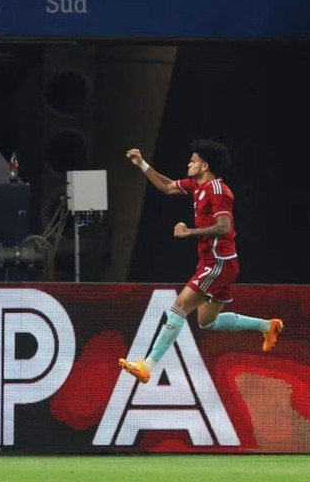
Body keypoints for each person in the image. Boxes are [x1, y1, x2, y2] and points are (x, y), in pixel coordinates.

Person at [118, 140, 283, 383]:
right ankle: (267, 326)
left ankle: (147, 365)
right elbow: (166, 186)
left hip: (218, 262)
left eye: (193, 161)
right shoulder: (197, 185)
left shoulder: (218, 190)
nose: (189, 164)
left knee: (179, 307)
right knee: (207, 321)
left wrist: (189, 232)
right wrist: (141, 163)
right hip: (218, 263)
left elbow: (224, 226)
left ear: (204, 166)